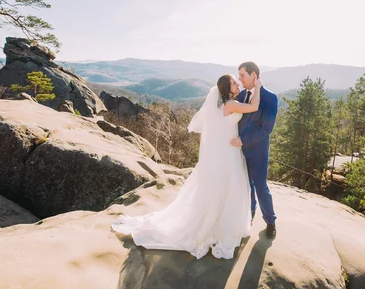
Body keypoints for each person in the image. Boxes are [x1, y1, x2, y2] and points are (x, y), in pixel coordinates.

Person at [111, 74, 262, 259]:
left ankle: (217, 224)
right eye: (233, 82)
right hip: (227, 153)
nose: (237, 83)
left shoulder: (223, 104)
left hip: (226, 151)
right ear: (226, 89)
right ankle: (218, 227)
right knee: (227, 187)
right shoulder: (229, 105)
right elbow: (254, 107)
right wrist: (258, 86)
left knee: (223, 188)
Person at [232, 61, 278, 238]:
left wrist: (243, 140)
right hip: (238, 150)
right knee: (246, 185)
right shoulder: (241, 95)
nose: (240, 79)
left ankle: (271, 222)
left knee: (260, 186)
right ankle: (249, 215)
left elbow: (266, 129)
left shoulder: (269, 97)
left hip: (258, 151)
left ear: (254, 75)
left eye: (242, 75)